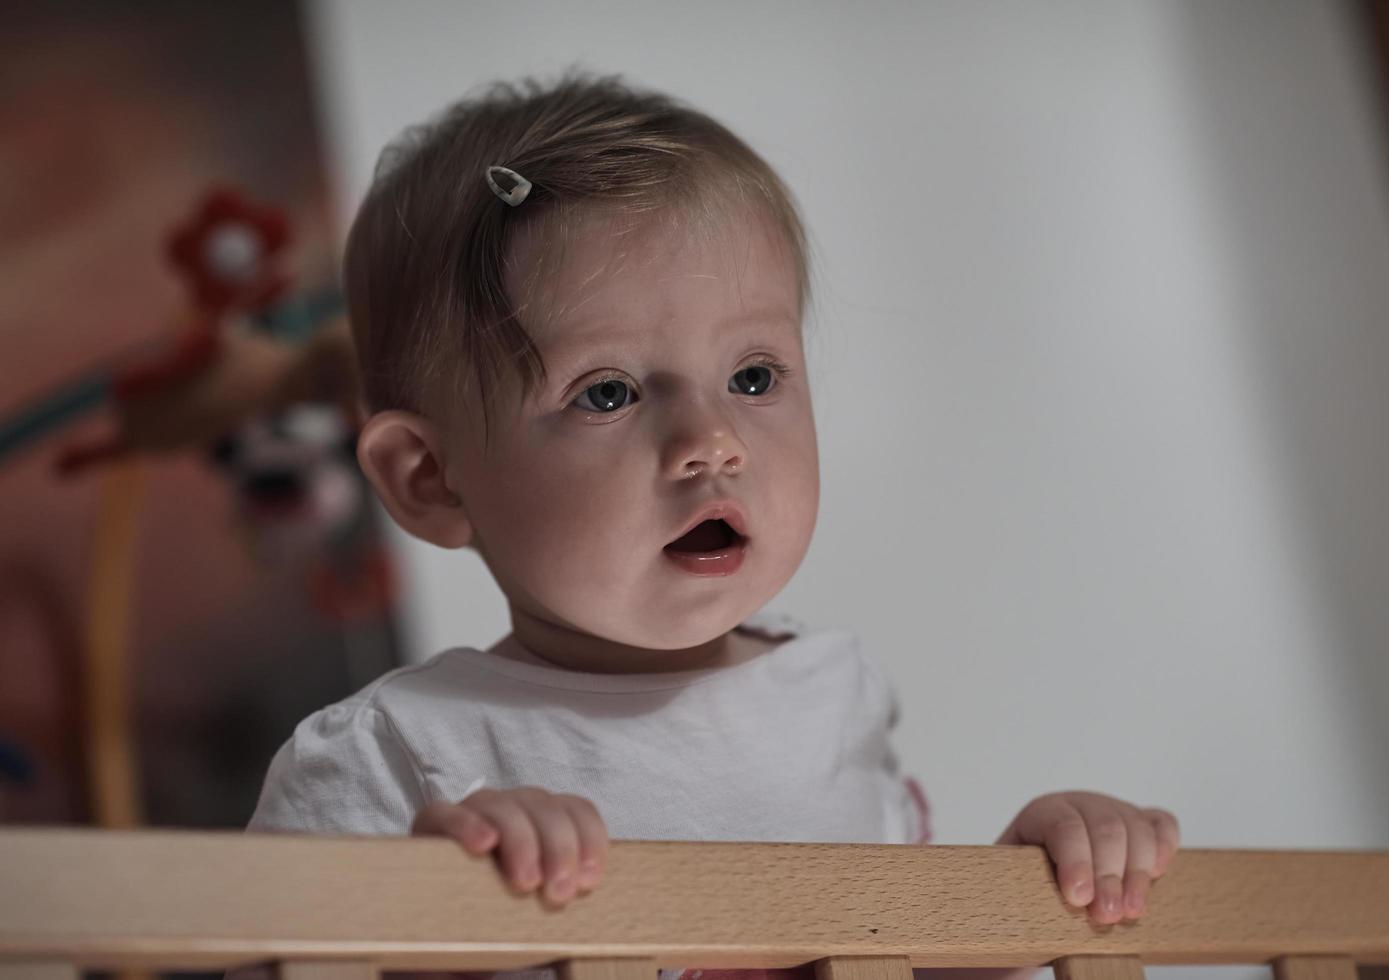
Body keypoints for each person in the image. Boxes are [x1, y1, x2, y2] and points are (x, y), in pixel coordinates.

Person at [247, 72, 1180, 962]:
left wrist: (1028, 894)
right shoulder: (404, 752)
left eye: (752, 376)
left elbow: (885, 965)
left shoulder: (828, 698)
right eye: (607, 392)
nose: (712, 439)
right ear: (431, 478)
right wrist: (426, 927)